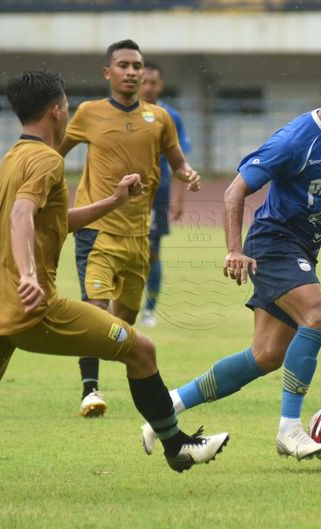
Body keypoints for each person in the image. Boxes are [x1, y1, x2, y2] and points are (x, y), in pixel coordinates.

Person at [0, 70, 228, 493]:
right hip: (32, 306)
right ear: (57, 109)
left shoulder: (14, 156)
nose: (69, 109)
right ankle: (176, 446)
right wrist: (31, 276)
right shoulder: (48, 160)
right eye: (67, 103)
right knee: (141, 349)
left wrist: (113, 201)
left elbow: (51, 220)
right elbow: (21, 213)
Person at [141, 65, 321, 460]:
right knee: (318, 315)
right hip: (273, 243)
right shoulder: (294, 141)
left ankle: (168, 405)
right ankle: (289, 430)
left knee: (265, 355)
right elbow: (234, 190)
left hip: (301, 249)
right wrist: (232, 249)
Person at [56, 40, 200, 418]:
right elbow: (56, 152)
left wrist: (188, 174)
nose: (133, 72)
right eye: (124, 65)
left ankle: (127, 376)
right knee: (95, 311)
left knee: (124, 321)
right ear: (109, 73)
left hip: (139, 233)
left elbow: (177, 162)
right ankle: (90, 390)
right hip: (97, 231)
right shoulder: (89, 113)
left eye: (137, 65)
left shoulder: (160, 118)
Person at [137, 62, 192, 328]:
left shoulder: (171, 117)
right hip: (124, 197)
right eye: (143, 81)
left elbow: (180, 161)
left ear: (160, 85)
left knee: (153, 253)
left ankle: (149, 309)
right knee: (121, 251)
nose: (148, 87)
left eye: (153, 82)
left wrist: (177, 198)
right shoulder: (119, 114)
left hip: (157, 195)